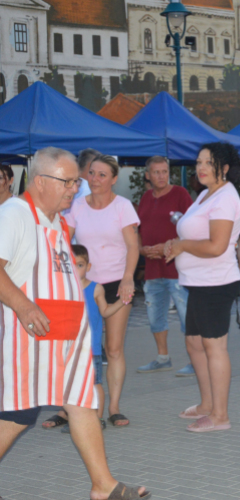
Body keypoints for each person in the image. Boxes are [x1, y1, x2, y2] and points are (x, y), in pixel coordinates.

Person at [0, 147, 149, 500]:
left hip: (69, 337)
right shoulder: (14, 214)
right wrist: (23, 306)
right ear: (40, 181)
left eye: (76, 181)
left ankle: (103, 485)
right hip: (31, 338)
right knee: (18, 415)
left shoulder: (59, 221)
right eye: (67, 182)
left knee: (83, 403)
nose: (74, 189)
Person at [165, 142, 240, 432]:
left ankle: (220, 416)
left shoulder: (225, 198)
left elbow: (216, 246)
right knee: (194, 344)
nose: (200, 167)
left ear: (223, 167)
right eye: (198, 161)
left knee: (214, 347)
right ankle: (207, 404)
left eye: (208, 162)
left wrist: (182, 245)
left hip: (216, 282)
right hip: (196, 282)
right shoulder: (204, 196)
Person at [66, 154, 140, 428]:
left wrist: (128, 278)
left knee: (113, 348)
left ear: (113, 179)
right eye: (92, 173)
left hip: (116, 283)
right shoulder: (76, 206)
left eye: (102, 175)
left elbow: (133, 246)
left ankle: (114, 407)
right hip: (84, 285)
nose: (95, 179)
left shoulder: (123, 206)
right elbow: (65, 241)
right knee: (79, 347)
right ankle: (71, 408)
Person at [51, 244, 128, 434]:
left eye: (81, 265)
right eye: (72, 265)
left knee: (94, 384)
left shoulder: (96, 288)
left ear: (89, 266)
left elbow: (105, 311)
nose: (77, 269)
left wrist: (122, 301)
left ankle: (98, 419)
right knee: (69, 384)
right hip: (67, 347)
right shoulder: (62, 288)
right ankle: (75, 417)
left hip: (90, 349)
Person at [135, 155, 195, 376]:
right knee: (155, 315)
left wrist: (166, 247)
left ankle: (195, 360)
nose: (161, 176)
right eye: (156, 172)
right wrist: (141, 249)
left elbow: (192, 228)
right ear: (148, 175)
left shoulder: (180, 194)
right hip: (152, 269)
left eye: (164, 171)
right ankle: (163, 358)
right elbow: (138, 229)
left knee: (186, 315)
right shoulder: (145, 198)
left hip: (177, 268)